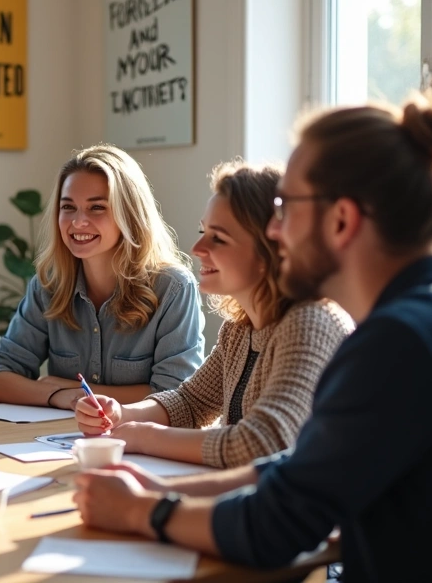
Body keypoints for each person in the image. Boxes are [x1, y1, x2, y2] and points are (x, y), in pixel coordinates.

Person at [72, 86, 432, 581]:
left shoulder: (401, 343)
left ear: (342, 220)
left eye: (286, 206)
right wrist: (156, 491)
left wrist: (142, 512)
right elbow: (302, 470)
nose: (275, 231)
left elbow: (277, 526)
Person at [74, 161, 352, 468]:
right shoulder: (239, 328)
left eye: (217, 238)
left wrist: (144, 436)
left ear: (271, 249)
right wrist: (123, 413)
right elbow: (192, 403)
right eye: (202, 231)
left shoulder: (309, 324)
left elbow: (264, 443)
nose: (197, 247)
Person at [0, 145, 204, 409]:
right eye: (68, 207)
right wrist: (57, 396)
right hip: (59, 442)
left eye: (97, 208)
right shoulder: (49, 285)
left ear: (129, 215)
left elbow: (175, 396)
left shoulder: (173, 288)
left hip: (140, 444)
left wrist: (77, 389)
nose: (78, 221)